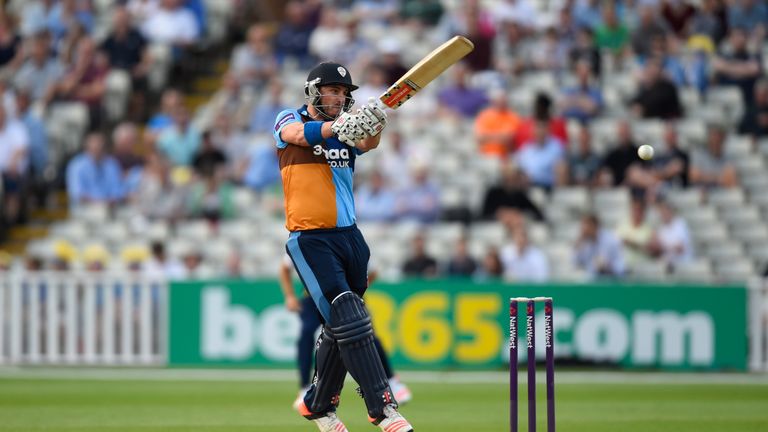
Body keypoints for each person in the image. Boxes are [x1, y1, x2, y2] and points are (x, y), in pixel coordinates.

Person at [273, 62, 412, 432]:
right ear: (314, 91)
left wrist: (376, 118)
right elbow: (297, 135)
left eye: (343, 92)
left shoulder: (346, 129)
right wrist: (339, 126)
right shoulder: (290, 118)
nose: (338, 97)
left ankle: (318, 405)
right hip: (310, 237)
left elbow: (368, 142)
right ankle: (383, 409)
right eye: (332, 90)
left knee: (341, 326)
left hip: (351, 237)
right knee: (349, 315)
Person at [277, 255, 412, 411]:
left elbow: (373, 271)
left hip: (346, 297)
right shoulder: (306, 236)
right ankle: (304, 388)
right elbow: (285, 267)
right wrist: (290, 296)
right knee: (306, 334)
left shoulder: (346, 238)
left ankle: (392, 381)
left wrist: (356, 289)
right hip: (315, 298)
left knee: (368, 335)